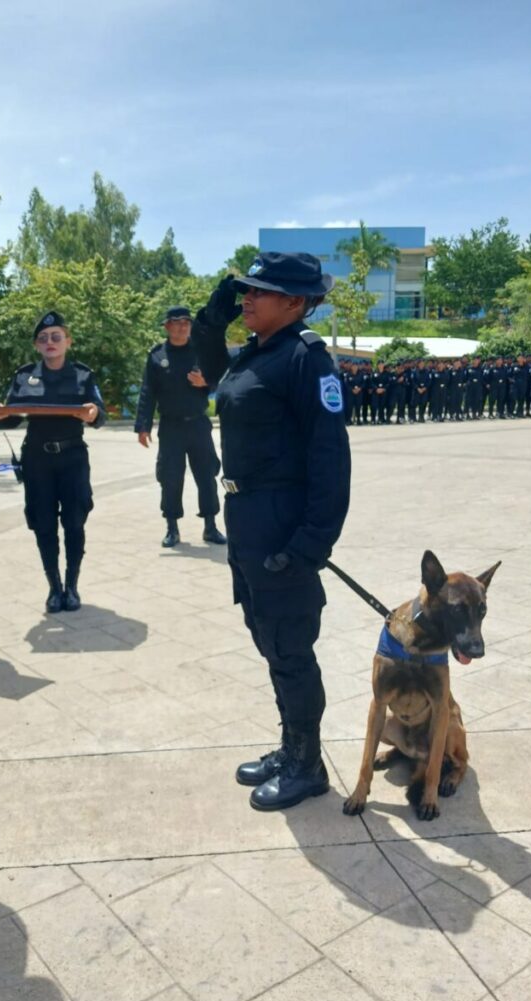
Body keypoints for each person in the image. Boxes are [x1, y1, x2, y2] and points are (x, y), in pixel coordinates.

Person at [192, 252, 351, 812]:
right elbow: (214, 373)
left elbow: (331, 460)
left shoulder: (308, 360)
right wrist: (211, 323)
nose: (247, 299)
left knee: (291, 647)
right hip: (247, 520)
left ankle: (307, 766)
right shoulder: (258, 354)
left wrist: (310, 545)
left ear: (295, 302)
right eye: (245, 291)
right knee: (268, 638)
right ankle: (291, 747)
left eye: (259, 292)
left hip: (283, 524)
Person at [0, 311, 105, 612]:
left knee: (75, 522)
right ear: (37, 346)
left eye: (56, 337)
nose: (50, 342)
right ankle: (54, 587)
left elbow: (99, 413)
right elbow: (10, 419)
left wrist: (94, 414)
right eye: (43, 338)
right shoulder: (24, 376)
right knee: (43, 524)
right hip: (38, 459)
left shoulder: (83, 375)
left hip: (73, 458)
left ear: (68, 340)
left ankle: (72, 585)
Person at [134, 305, 225, 548]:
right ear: (167, 326)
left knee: (207, 475)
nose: (183, 326)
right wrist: (143, 426)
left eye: (186, 322)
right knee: (170, 477)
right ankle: (172, 527)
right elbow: (147, 392)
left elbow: (221, 380)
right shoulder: (157, 356)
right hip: (171, 427)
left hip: (198, 424)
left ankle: (210, 526)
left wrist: (206, 382)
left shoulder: (201, 351)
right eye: (177, 322)